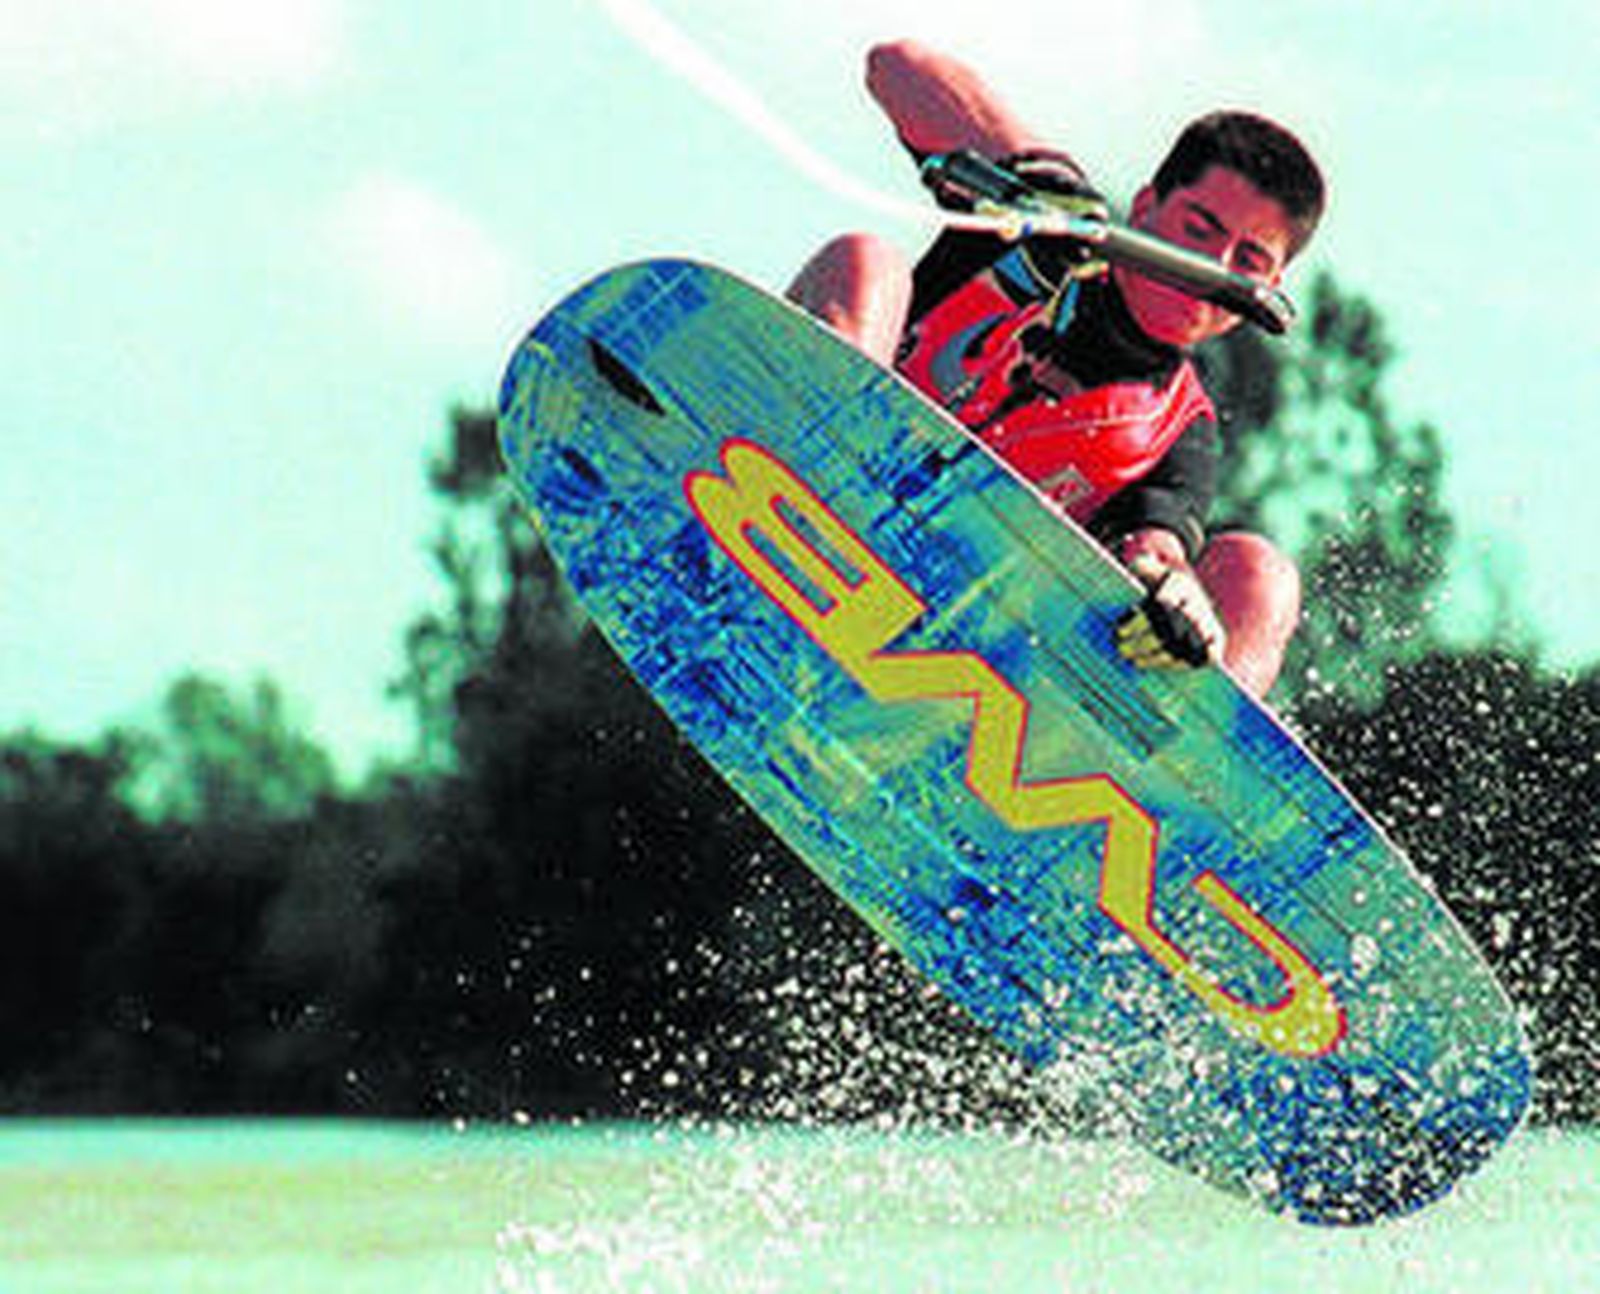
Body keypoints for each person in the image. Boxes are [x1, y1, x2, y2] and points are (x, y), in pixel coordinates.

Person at [787, 40, 1326, 699]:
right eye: (1200, 229)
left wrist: (1177, 597)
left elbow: (1155, 546)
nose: (1213, 268)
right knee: (864, 259)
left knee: (1261, 574)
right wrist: (1038, 175)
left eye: (1246, 261)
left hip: (944, 625)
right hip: (793, 489)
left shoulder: (1181, 426)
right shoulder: (1031, 227)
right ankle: (822, 485)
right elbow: (892, 65)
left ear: (1267, 291)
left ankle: (1182, 764)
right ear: (1148, 206)